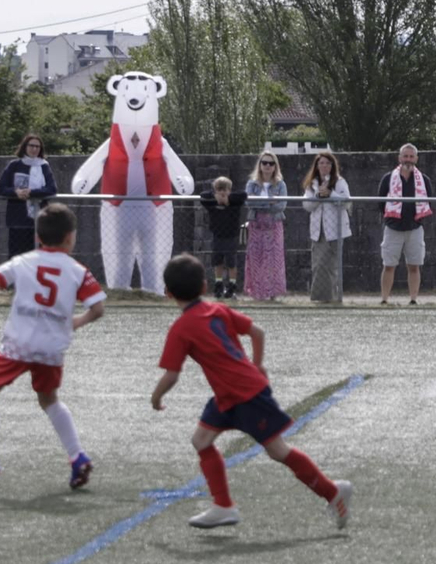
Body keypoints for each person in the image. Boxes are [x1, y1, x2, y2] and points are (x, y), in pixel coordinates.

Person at [151, 253, 353, 530]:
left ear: (167, 293)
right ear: (204, 287)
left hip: (246, 396)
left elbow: (172, 375)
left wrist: (156, 396)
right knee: (201, 440)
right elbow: (257, 331)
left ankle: (333, 492)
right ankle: (223, 506)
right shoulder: (219, 310)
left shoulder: (180, 328)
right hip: (229, 395)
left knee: (278, 451)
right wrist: (258, 365)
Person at [0, 203, 104, 489]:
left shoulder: (22, 261)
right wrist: (75, 322)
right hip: (51, 349)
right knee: (49, 400)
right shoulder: (77, 270)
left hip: (18, 344)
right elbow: (97, 309)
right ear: (71, 237)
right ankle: (77, 456)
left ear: (38, 237)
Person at [378, 144, 432, 305]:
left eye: (411, 156)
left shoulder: (424, 180)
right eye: (405, 156)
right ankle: (384, 299)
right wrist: (393, 217)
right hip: (393, 228)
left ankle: (413, 299)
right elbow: (380, 202)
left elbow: (429, 201)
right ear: (399, 158)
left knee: (414, 266)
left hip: (415, 228)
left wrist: (417, 219)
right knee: (388, 265)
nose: (408, 159)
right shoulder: (388, 178)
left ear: (416, 159)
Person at [302, 151, 350, 304]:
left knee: (333, 265)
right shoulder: (311, 184)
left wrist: (330, 194)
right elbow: (307, 206)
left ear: (332, 165)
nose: (324, 166)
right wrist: (318, 196)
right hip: (318, 231)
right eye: (321, 163)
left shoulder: (340, 182)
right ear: (316, 165)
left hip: (336, 230)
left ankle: (335, 297)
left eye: (328, 163)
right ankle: (319, 298)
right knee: (319, 265)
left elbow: (346, 202)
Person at [0, 132, 57, 258]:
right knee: (16, 257)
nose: (34, 149)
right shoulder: (14, 165)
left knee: (39, 257)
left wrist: (32, 193)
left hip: (39, 220)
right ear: (24, 146)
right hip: (18, 220)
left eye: (37, 147)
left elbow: (52, 189)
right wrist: (16, 192)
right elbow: (1, 188)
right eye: (31, 146)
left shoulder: (44, 166)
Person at [243, 153, 288, 300]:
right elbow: (249, 202)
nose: (267, 166)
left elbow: (281, 205)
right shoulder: (252, 184)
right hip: (256, 224)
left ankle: (273, 293)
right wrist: (269, 202)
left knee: (274, 259)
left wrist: (260, 203)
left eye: (271, 163)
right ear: (260, 165)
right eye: (265, 163)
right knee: (256, 257)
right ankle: (257, 293)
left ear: (275, 166)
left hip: (274, 225)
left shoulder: (281, 184)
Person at [199, 176, 248, 298]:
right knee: (217, 261)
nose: (222, 192)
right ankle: (218, 284)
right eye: (219, 189)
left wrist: (228, 200)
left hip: (231, 237)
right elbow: (203, 195)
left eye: (225, 189)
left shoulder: (235, 202)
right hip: (217, 236)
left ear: (230, 190)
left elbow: (243, 194)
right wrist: (216, 199)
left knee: (231, 263)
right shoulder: (211, 202)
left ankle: (232, 286)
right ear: (215, 190)